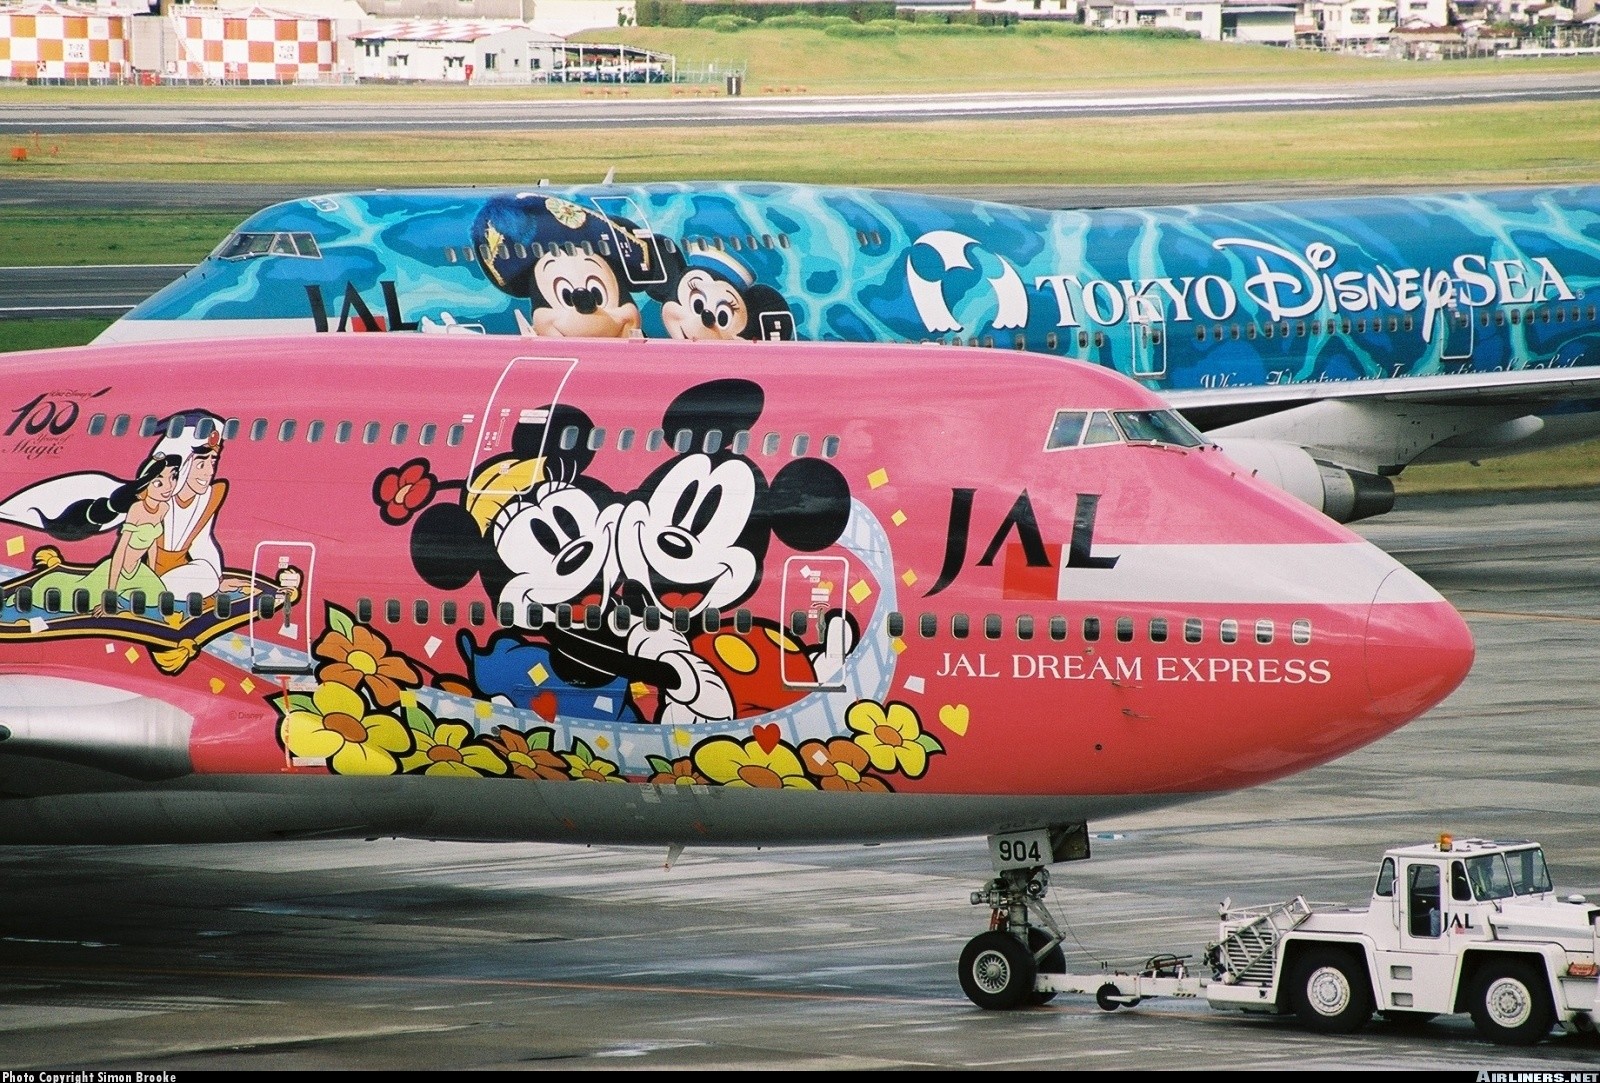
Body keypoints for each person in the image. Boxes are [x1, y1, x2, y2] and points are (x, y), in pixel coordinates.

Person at [34, 455, 181, 614]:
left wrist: (151, 573)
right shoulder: (136, 510)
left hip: (138, 570)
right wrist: (110, 596)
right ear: (145, 485)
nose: (169, 486)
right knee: (74, 598)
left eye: (173, 477)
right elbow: (120, 551)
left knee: (158, 598)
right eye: (158, 482)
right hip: (116, 570)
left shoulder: (164, 508)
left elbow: (152, 544)